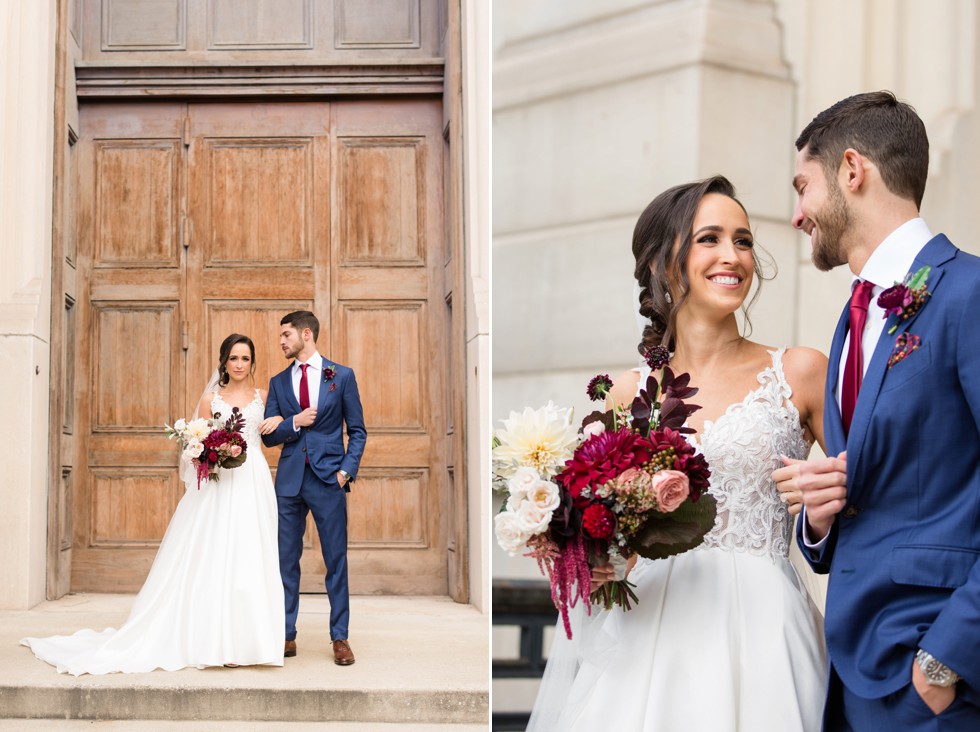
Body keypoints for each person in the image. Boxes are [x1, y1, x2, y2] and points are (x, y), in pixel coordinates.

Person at [528, 175, 829, 731]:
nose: (732, 256)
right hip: (647, 635)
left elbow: (863, 497)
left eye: (742, 240)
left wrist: (824, 513)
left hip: (762, 631)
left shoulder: (803, 372)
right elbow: (610, 543)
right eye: (709, 238)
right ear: (665, 263)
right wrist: (596, 560)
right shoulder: (627, 394)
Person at [773, 90, 980, 729]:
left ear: (852, 171)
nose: (797, 213)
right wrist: (819, 516)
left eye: (802, 186)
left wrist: (946, 660)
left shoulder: (969, 294)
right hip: (849, 666)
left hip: (935, 673)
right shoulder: (850, 320)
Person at [21, 333, 286, 674]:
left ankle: (251, 640)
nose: (239, 364)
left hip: (252, 480)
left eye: (245, 359)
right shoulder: (210, 398)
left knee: (250, 555)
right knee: (215, 554)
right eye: (233, 358)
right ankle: (214, 639)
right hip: (220, 484)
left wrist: (279, 420)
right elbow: (198, 442)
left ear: (252, 363)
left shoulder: (263, 397)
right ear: (224, 361)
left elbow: (273, 433)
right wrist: (211, 453)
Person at [262, 310, 366, 666]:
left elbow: (358, 430)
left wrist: (345, 472)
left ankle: (340, 637)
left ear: (306, 334)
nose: (281, 342)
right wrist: (294, 421)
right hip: (289, 481)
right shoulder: (277, 382)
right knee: (285, 561)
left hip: (327, 480)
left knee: (335, 560)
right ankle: (286, 633)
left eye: (286, 335)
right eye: (280, 336)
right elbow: (270, 436)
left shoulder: (342, 376)